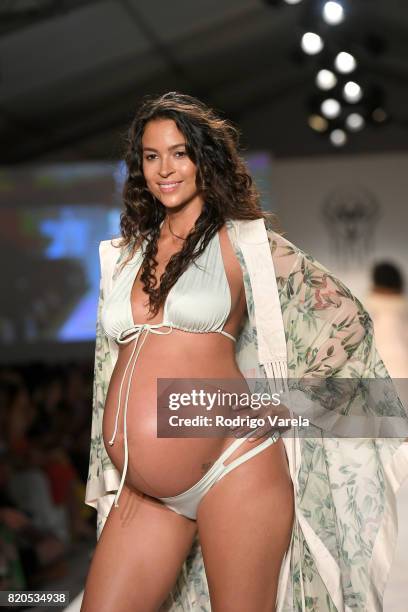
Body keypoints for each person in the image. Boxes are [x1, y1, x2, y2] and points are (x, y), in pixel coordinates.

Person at [82, 92, 408, 612]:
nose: (165, 168)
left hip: (234, 467)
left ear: (203, 159)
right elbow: (108, 370)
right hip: (143, 492)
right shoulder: (124, 254)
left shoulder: (243, 243)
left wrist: (287, 404)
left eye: (179, 152)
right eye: (151, 155)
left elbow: (348, 320)